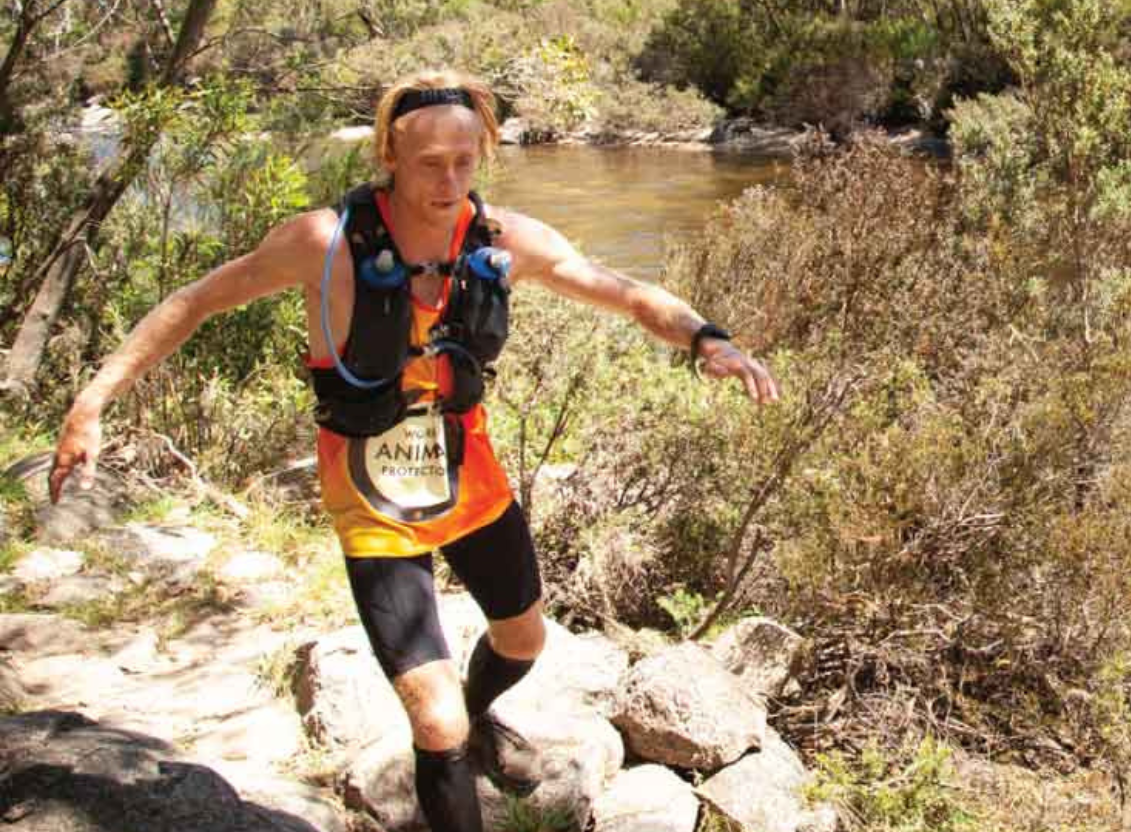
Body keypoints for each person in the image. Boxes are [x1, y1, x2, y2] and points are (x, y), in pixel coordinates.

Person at [46, 69, 780, 832]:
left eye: (466, 161)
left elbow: (624, 291)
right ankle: (453, 738)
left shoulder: (502, 240)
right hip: (370, 493)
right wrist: (92, 402)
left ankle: (480, 710)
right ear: (390, 155)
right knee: (435, 728)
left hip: (470, 475)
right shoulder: (321, 244)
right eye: (430, 163)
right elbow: (192, 301)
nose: (450, 180)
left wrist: (706, 337)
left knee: (523, 642)